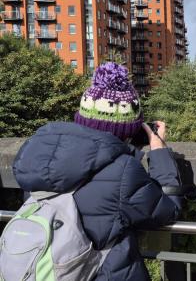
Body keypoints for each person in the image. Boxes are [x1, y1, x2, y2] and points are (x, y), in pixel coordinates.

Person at [12, 62, 182, 280]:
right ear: (129, 130)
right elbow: (168, 211)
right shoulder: (123, 172)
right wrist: (159, 151)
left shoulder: (37, 156)